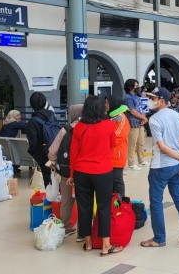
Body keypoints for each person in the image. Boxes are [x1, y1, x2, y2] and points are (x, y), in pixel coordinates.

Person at [141, 87, 179, 248]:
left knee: (156, 202)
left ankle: (159, 239)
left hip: (160, 166)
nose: (151, 101)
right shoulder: (178, 116)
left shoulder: (154, 119)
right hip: (176, 166)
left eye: (153, 98)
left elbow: (162, 146)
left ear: (162, 101)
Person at [67, 95, 122, 256]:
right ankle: (106, 246)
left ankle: (88, 243)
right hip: (102, 172)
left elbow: (73, 153)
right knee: (104, 207)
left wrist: (71, 174)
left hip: (81, 172)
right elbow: (112, 144)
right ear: (100, 108)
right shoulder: (108, 125)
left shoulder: (78, 127)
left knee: (84, 208)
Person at [48, 104, 83, 238]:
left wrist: (55, 162)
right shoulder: (88, 127)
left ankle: (65, 227)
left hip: (66, 171)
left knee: (67, 200)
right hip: (84, 171)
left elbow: (52, 152)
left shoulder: (65, 129)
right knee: (83, 202)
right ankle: (83, 232)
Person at [27, 92, 56, 188]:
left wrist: (35, 154)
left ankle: (52, 200)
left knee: (48, 181)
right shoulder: (52, 116)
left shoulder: (33, 122)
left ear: (32, 105)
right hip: (56, 151)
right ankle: (61, 200)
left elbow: (33, 143)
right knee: (58, 178)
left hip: (43, 154)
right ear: (44, 103)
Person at [124, 79, 150, 171]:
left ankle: (141, 160)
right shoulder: (128, 98)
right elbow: (132, 111)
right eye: (136, 85)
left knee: (141, 142)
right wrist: (143, 118)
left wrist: (143, 117)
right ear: (130, 87)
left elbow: (141, 109)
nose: (137, 87)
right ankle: (131, 163)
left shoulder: (137, 97)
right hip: (133, 123)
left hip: (140, 123)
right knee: (132, 143)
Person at [107, 95, 130, 196]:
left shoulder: (121, 118)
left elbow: (117, 136)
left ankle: (121, 204)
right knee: (110, 183)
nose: (105, 105)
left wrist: (102, 143)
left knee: (117, 181)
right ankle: (113, 206)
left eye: (107, 103)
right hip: (108, 155)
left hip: (117, 156)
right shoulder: (110, 116)